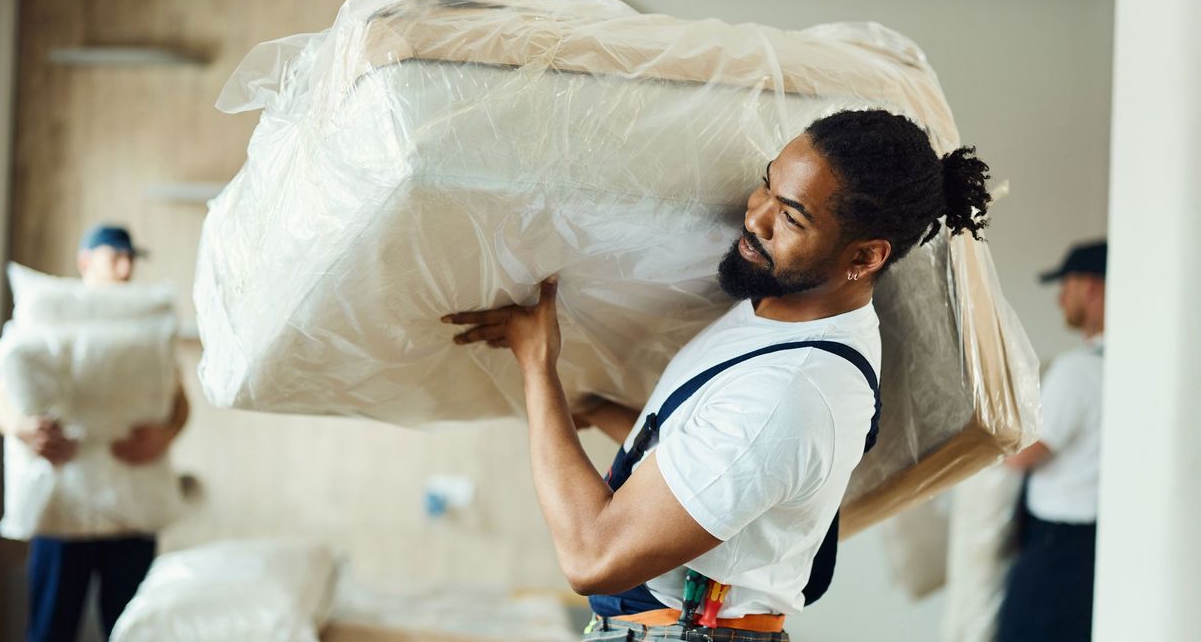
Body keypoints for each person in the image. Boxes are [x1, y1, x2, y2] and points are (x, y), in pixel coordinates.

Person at [443, 109, 992, 640]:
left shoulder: (792, 391)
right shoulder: (780, 308)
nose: (755, 218)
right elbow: (711, 458)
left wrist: (539, 367)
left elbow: (593, 556)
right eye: (766, 186)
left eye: (792, 217)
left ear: (866, 256)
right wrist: (605, 415)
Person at [0, 224, 190, 642]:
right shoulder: (50, 316)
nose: (126, 266)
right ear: (85, 261)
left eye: (130, 258)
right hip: (64, 509)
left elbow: (180, 398)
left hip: (130, 510)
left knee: (131, 630)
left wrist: (165, 435)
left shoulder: (145, 331)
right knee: (51, 629)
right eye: (115, 255)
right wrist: (22, 430)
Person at [997, 240, 1106, 642]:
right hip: (1094, 545)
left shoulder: (1078, 370)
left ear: (1091, 287)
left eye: (1067, 285)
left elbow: (1021, 454)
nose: (1061, 298)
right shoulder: (1127, 363)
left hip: (1057, 550)